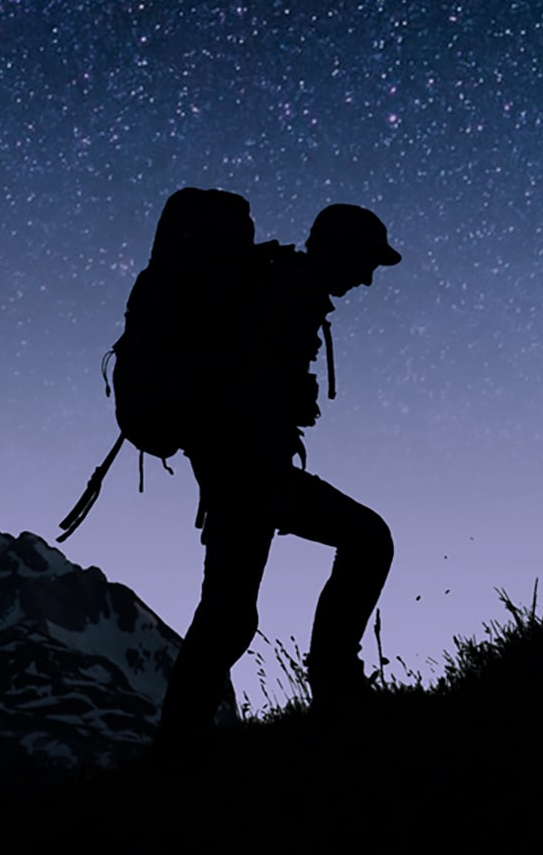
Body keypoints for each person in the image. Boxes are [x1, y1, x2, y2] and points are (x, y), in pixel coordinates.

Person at [158, 203, 401, 741]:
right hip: (249, 474)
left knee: (228, 614)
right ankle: (336, 692)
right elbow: (251, 386)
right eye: (365, 262)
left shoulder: (280, 284)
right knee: (367, 540)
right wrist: (283, 408)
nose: (365, 278)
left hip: (238, 470)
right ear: (340, 248)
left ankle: (178, 745)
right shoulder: (291, 293)